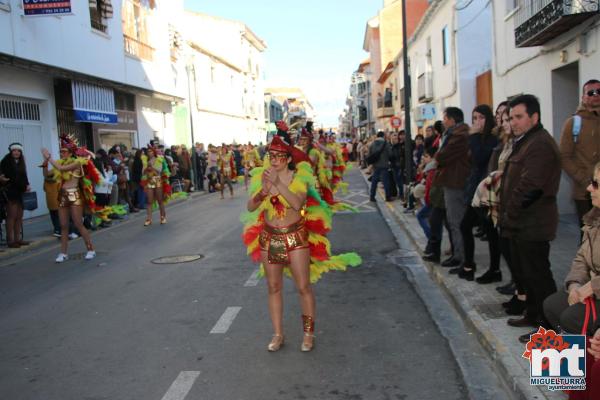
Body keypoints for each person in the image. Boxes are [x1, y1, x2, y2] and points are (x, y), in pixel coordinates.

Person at [242, 135, 361, 352]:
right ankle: (278, 334)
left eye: (278, 156)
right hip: (272, 238)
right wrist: (263, 192)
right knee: (273, 286)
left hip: (295, 236)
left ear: (288, 159)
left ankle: (308, 333)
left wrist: (278, 184)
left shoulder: (300, 177)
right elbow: (250, 207)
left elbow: (297, 204)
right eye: (271, 156)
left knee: (303, 286)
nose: (274, 160)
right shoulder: (263, 177)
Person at [499, 95, 561, 343]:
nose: (513, 122)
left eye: (518, 117)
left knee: (539, 275)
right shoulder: (524, 141)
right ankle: (533, 314)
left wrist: (510, 214)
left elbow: (530, 186)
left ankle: (549, 328)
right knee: (526, 273)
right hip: (520, 223)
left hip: (532, 222)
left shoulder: (540, 144)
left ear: (534, 117)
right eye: (511, 117)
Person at [452, 105, 498, 281]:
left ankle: (493, 270)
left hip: (487, 192)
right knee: (466, 226)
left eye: (481, 117)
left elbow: (479, 158)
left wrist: (475, 136)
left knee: (491, 232)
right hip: (476, 190)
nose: (477, 122)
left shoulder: (491, 138)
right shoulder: (478, 138)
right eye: (474, 118)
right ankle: (469, 266)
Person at [41, 137, 98, 262]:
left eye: (64, 151)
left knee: (78, 223)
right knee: (63, 225)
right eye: (61, 151)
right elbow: (46, 175)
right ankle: (63, 253)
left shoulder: (78, 162)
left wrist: (49, 158)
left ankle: (90, 249)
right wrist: (45, 163)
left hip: (74, 195)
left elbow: (62, 170)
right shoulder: (59, 163)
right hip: (62, 195)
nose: (62, 153)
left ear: (71, 153)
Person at [559, 79, 600, 232]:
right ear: (583, 97)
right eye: (591, 92)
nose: (595, 95)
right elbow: (564, 157)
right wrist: (585, 180)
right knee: (588, 237)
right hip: (585, 192)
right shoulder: (573, 123)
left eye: (599, 91)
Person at [434, 107, 471, 268]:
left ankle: (460, 256)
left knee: (456, 221)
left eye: (445, 118)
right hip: (451, 180)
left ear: (452, 119)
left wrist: (439, 157)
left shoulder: (459, 136)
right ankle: (458, 253)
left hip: (455, 182)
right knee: (452, 220)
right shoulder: (453, 134)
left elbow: (442, 156)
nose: (443, 121)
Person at [1, 143, 31, 248]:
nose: (16, 152)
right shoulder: (5, 161)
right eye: (14, 150)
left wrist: (27, 185)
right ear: (11, 151)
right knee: (11, 216)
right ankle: (11, 240)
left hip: (20, 192)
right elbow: (4, 176)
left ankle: (18, 239)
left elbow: (24, 175)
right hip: (11, 192)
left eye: (18, 151)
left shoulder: (21, 162)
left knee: (19, 216)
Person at [141, 145, 171, 226]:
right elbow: (143, 173)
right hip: (149, 181)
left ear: (154, 152)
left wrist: (151, 167)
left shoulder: (159, 159)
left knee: (160, 200)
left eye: (150, 151)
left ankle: (163, 217)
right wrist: (146, 167)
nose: (149, 153)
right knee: (149, 201)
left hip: (158, 181)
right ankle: (149, 219)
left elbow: (159, 171)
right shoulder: (145, 161)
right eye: (148, 152)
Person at [367, 131, 392, 202]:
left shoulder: (372, 144)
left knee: (374, 181)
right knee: (386, 182)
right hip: (384, 165)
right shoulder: (386, 143)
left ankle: (372, 197)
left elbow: (369, 155)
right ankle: (388, 197)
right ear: (383, 136)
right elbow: (390, 154)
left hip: (375, 166)